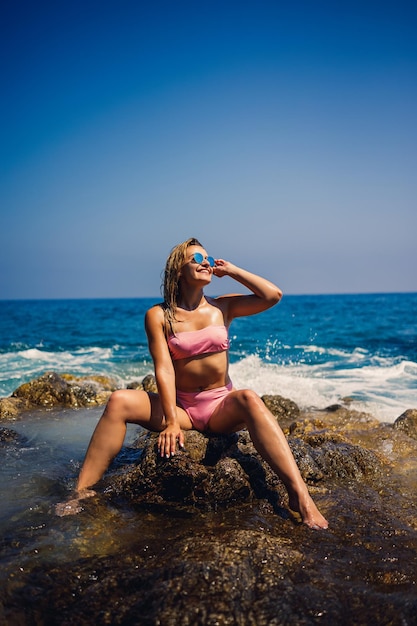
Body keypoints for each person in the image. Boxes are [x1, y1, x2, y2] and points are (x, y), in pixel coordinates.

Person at [56, 237, 328, 529]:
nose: (206, 263)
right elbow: (164, 368)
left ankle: (300, 497)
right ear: (178, 270)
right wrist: (172, 421)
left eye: (208, 259)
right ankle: (82, 491)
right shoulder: (159, 315)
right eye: (197, 259)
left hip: (219, 407)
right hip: (181, 407)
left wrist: (232, 270)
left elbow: (272, 295)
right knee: (118, 401)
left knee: (249, 397)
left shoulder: (222, 308)